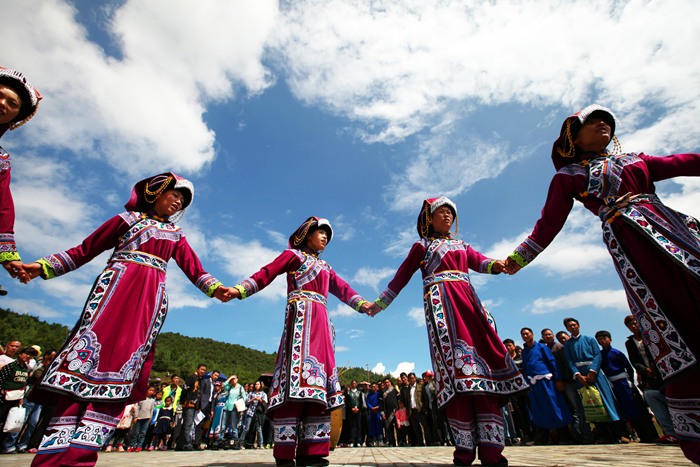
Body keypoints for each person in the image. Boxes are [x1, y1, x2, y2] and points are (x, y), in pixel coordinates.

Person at [504, 104, 700, 462]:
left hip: (676, 230)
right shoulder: (571, 176)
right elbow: (548, 224)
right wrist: (516, 260)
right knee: (671, 317)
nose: (602, 124)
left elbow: (683, 161)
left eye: (607, 121)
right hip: (633, 242)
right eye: (592, 122)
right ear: (572, 138)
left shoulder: (637, 161)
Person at [20, 173, 233, 467]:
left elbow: (195, 269)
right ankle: (52, 457)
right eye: (174, 195)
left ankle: (80, 458)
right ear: (156, 192)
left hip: (147, 306)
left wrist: (217, 289)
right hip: (112, 295)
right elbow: (84, 249)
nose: (178, 202)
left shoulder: (176, 235)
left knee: (120, 369)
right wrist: (42, 267)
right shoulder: (125, 220)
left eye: (182, 201)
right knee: (82, 364)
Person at [368, 197, 528, 466]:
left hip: (470, 305)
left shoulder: (462, 246)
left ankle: (492, 452)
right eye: (441, 212)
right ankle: (464, 452)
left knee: (484, 369)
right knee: (457, 374)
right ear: (428, 218)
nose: (447, 216)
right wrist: (380, 304)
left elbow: (480, 262)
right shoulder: (423, 247)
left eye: (450, 213)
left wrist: (498, 265)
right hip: (443, 310)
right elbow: (401, 276)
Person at [230, 217, 371, 466]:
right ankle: (284, 453)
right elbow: (267, 272)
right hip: (300, 321)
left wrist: (364, 305)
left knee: (318, 385)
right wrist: (241, 290)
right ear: (307, 234)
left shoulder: (326, 267)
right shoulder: (292, 256)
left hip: (322, 325)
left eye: (328, 235)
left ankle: (313, 452)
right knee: (293, 383)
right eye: (321, 232)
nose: (325, 237)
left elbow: (344, 289)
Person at [0, 67, 42, 292]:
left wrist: (7, 255)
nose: (3, 104)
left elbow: (3, 207)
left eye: (12, 104)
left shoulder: (1, 160)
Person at [561, 318, 623, 442]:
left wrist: (593, 372)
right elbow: (570, 361)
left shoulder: (590, 340)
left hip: (595, 373)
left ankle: (618, 433)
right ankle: (602, 434)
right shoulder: (567, 344)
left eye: (574, 325)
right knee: (590, 403)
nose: (573, 327)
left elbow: (597, 355)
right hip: (580, 376)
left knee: (605, 400)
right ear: (567, 329)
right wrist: (578, 375)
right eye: (570, 326)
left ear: (578, 326)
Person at [595, 330, 659, 443]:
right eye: (600, 340)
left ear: (610, 339)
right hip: (613, 385)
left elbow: (628, 367)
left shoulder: (617, 353)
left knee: (638, 408)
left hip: (625, 383)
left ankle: (649, 435)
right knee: (624, 410)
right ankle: (632, 435)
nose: (602, 341)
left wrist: (629, 380)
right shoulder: (600, 356)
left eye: (604, 338)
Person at [623, 315, 678, 444]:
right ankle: (669, 432)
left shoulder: (651, 337)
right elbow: (634, 361)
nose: (634, 326)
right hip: (648, 375)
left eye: (635, 323)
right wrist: (644, 370)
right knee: (650, 396)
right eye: (631, 325)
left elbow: (657, 352)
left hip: (662, 372)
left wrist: (653, 368)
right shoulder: (630, 342)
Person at [520, 327, 572, 445]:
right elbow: (526, 367)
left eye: (527, 334)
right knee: (538, 410)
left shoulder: (542, 347)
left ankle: (563, 436)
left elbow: (552, 363)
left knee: (555, 407)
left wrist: (558, 379)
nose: (525, 336)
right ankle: (541, 438)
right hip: (534, 384)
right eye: (523, 334)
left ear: (532, 335)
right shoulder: (524, 351)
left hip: (547, 382)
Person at [0, 347, 38, 448]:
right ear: (20, 354)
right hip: (4, 398)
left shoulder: (25, 368)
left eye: (30, 355)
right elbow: (1, 379)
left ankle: (2, 444)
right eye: (26, 354)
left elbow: (24, 383)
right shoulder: (10, 366)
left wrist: (21, 398)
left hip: (16, 398)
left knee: (8, 423)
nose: (28, 356)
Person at [177, 364, 207, 451]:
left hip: (195, 405)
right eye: (202, 369)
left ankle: (180, 444)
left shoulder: (199, 379)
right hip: (188, 403)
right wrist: (182, 401)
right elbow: (185, 389)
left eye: (204, 370)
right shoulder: (192, 377)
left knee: (188, 424)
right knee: (188, 424)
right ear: (197, 369)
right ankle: (187, 443)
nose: (203, 371)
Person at [221, 374, 246, 449]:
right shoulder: (230, 387)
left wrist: (238, 403)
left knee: (234, 425)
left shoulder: (240, 387)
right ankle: (221, 439)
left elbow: (244, 398)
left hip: (234, 408)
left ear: (237, 379)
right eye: (232, 379)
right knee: (223, 425)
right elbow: (224, 386)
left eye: (234, 379)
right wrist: (230, 378)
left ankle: (235, 441)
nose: (233, 380)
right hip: (227, 407)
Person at [240, 381, 267, 449]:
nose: (256, 385)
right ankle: (241, 442)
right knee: (246, 428)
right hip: (250, 412)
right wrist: (253, 399)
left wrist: (260, 400)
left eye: (258, 384)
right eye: (256, 384)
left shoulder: (263, 394)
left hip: (258, 413)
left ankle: (260, 443)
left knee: (259, 428)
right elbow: (247, 402)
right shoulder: (251, 393)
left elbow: (265, 403)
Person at [129, 386, 157, 452]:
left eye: (152, 391)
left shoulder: (152, 401)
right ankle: (132, 445)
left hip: (147, 418)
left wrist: (150, 418)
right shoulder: (142, 399)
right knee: (136, 432)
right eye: (150, 390)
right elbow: (138, 408)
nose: (151, 392)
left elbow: (151, 410)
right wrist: (135, 417)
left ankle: (139, 446)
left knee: (143, 433)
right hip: (139, 417)